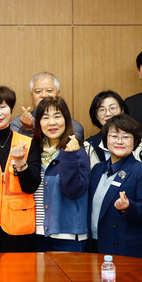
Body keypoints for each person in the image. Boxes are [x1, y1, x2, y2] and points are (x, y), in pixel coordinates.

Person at [0, 86, 42, 252]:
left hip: (20, 226)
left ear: (11, 110)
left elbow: (31, 187)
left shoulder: (28, 143)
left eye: (2, 107)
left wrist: (21, 163)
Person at [88, 114, 142, 259]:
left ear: (135, 141)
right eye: (114, 136)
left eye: (126, 137)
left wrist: (129, 207)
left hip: (125, 248)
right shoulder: (97, 169)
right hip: (95, 244)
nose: (119, 141)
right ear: (106, 140)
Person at [31, 97, 90, 252]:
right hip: (38, 233)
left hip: (68, 236)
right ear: (39, 123)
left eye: (57, 116)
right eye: (45, 118)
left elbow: (73, 190)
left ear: (66, 120)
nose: (52, 123)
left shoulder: (77, 151)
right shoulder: (34, 152)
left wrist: (69, 156)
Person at [86, 90, 142, 169]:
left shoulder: (138, 141)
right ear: (96, 115)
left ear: (122, 110)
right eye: (102, 110)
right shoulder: (89, 146)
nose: (108, 113)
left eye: (112, 108)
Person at [10, 71, 85, 142]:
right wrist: (27, 130)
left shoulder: (74, 126)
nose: (44, 95)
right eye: (38, 91)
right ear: (31, 96)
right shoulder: (17, 124)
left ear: (58, 94)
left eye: (49, 90)